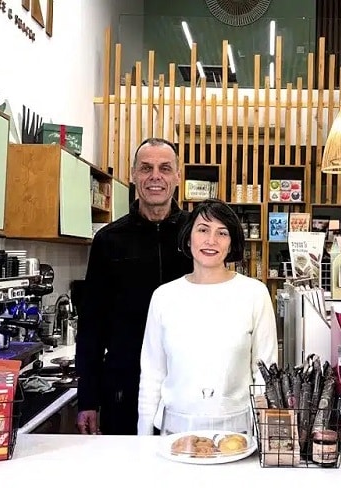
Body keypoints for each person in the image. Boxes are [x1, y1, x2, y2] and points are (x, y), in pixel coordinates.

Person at [75, 138, 193, 435]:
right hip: (123, 389)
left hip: (188, 387)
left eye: (165, 168)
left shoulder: (197, 236)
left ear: (178, 176)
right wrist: (87, 398)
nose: (155, 176)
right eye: (146, 168)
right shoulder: (108, 240)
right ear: (133, 175)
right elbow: (91, 326)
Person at [137, 199, 278, 435]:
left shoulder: (254, 294)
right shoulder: (164, 297)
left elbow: (265, 373)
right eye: (203, 230)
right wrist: (144, 437)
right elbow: (152, 374)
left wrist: (261, 434)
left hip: (236, 435)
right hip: (174, 434)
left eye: (222, 233)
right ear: (188, 238)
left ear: (231, 244)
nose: (211, 240)